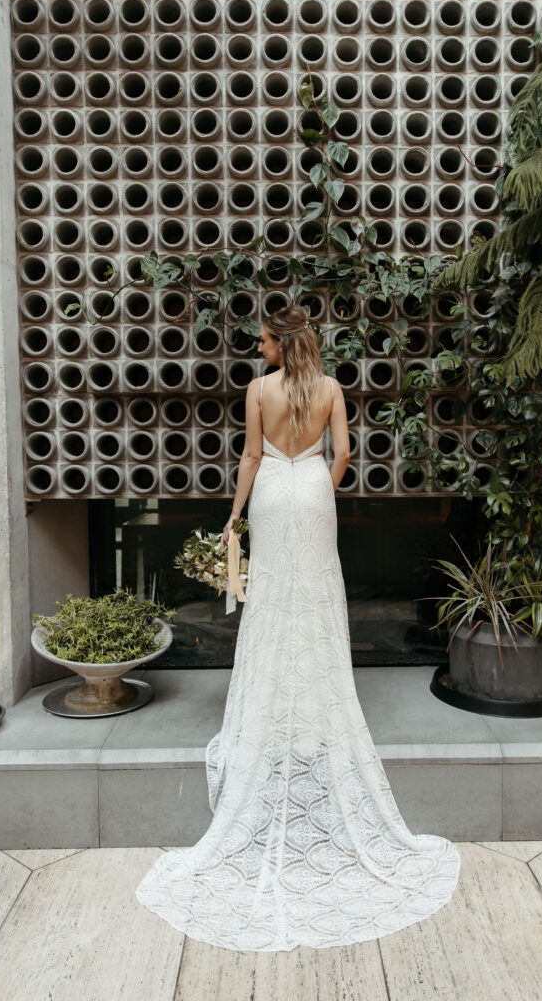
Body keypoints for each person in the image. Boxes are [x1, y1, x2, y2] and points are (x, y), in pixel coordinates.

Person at [135, 304, 461, 951]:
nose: (257, 347)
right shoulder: (332, 389)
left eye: (262, 339)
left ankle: (271, 715)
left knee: (272, 604)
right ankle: (313, 718)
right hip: (311, 492)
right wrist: (320, 481)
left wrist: (234, 517)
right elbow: (345, 453)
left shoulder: (258, 391)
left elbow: (252, 455)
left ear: (283, 344)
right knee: (314, 602)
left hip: (271, 497)